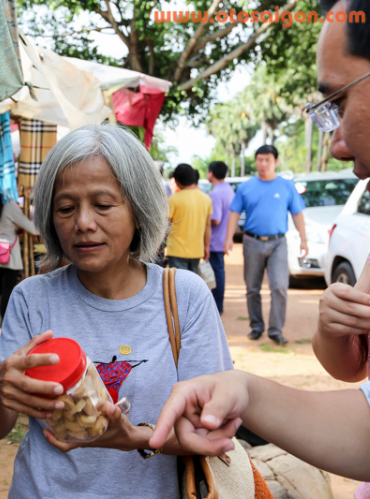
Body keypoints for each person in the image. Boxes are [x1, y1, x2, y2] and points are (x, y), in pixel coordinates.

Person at [150, 0, 370, 484]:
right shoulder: (242, 190)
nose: (334, 143)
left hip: (264, 244)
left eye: (338, 102)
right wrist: (243, 389)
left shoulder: (276, 188)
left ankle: (269, 329)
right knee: (253, 291)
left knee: (276, 292)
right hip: (244, 244)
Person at [0, 125, 233, 498]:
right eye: (66, 208)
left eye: (103, 205)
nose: (83, 222)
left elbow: (212, 428)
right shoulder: (32, 298)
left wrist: (134, 437)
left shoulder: (184, 297)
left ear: (140, 212)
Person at [224, 145, 308, 345]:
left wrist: (304, 239)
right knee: (252, 287)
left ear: (276, 162)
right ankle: (256, 326)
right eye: (259, 160)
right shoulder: (246, 187)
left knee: (279, 286)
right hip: (252, 241)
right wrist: (228, 239)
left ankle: (275, 329)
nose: (263, 164)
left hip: (278, 242)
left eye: (267, 160)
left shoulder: (287, 186)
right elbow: (234, 213)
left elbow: (297, 213)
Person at [0, 194, 38, 335]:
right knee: (7, 293)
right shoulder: (10, 208)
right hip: (10, 257)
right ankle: (2, 327)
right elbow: (32, 229)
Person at [166, 163, 212, 274]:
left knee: (179, 286)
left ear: (176, 181)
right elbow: (208, 225)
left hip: (176, 250)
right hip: (197, 250)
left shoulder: (173, 199)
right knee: (192, 285)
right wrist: (206, 246)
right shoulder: (206, 199)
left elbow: (165, 223)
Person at [206, 161, 235, 314]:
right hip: (223, 238)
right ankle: (218, 305)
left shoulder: (217, 193)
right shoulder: (228, 189)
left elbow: (215, 219)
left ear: (211, 173)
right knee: (219, 271)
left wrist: (202, 218)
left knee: (217, 272)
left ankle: (217, 306)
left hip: (215, 240)